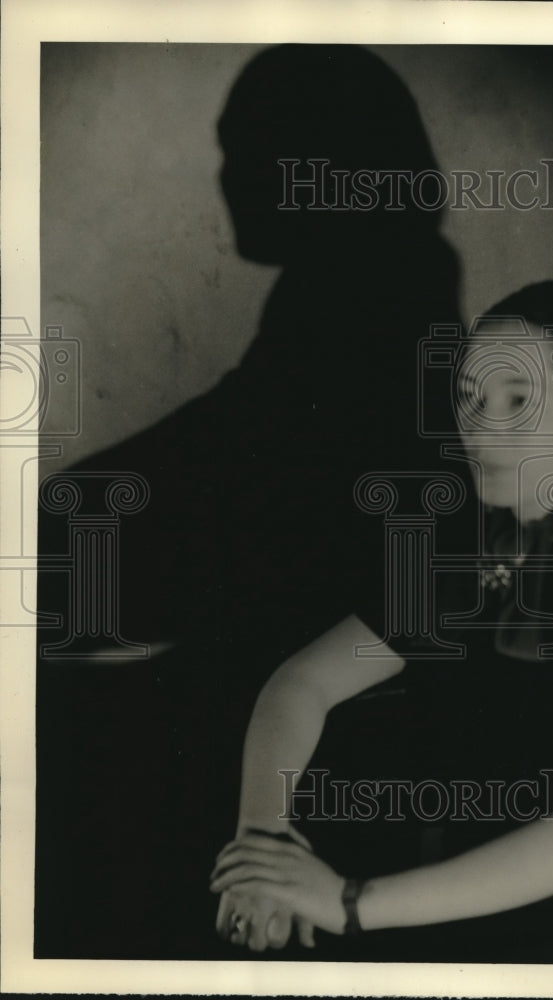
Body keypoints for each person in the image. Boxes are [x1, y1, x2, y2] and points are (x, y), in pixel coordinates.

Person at [34, 44, 461, 958]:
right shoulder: (352, 280)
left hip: (321, 684)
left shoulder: (380, 286)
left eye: (243, 154)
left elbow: (259, 471)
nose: (226, 180)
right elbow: (233, 433)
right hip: (291, 657)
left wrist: (68, 519)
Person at [209, 281, 553, 964]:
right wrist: (263, 842)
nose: (481, 426)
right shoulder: (467, 557)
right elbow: (300, 684)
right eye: (469, 397)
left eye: (519, 401)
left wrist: (345, 903)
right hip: (445, 919)